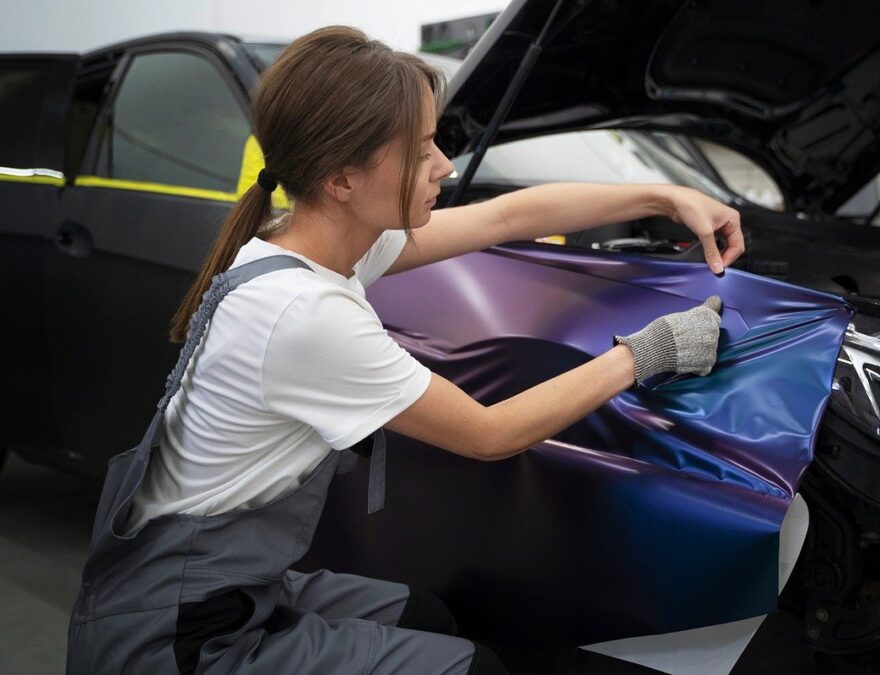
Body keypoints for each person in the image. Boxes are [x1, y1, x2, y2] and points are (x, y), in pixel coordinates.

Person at [67, 25, 744, 675]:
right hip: (182, 632)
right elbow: (491, 433)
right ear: (342, 179)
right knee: (473, 666)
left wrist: (666, 193)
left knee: (425, 615)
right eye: (420, 150)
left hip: (225, 583)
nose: (444, 165)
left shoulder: (309, 241)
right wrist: (649, 351)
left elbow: (505, 217)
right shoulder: (303, 313)